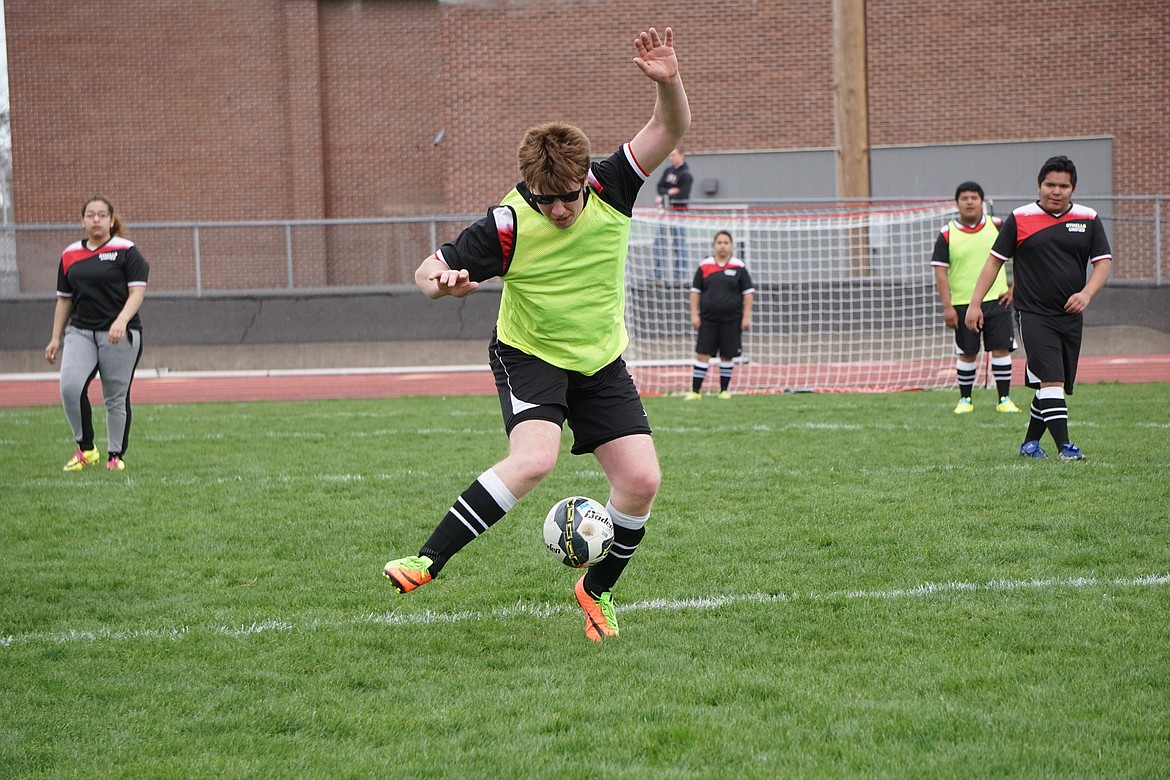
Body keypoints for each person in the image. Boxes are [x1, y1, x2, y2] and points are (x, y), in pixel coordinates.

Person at [382, 26, 690, 642]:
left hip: (600, 360)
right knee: (534, 459)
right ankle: (425, 561)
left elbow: (671, 129)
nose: (560, 211)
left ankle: (594, 590)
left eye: (567, 198)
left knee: (641, 481)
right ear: (530, 188)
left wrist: (669, 81)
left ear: (584, 180)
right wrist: (443, 284)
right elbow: (425, 272)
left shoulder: (609, 185)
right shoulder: (507, 224)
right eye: (547, 200)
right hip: (530, 356)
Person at [965, 156, 1112, 460]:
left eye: (1063, 186)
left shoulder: (1088, 218)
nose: (1056, 191)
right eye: (1050, 185)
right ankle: (1066, 449)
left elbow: (1102, 263)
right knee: (1052, 379)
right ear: (1039, 185)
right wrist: (975, 304)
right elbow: (994, 262)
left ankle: (1030, 443)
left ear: (1073, 189)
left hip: (1071, 316)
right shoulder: (1020, 218)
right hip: (1033, 314)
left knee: (1052, 383)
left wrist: (1087, 293)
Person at [45, 196, 150, 471]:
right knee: (70, 386)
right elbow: (64, 299)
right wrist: (56, 337)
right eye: (90, 215)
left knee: (115, 396)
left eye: (102, 215)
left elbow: (137, 293)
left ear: (111, 220)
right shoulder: (69, 254)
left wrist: (122, 321)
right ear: (82, 220)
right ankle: (86, 448)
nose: (96, 219)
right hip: (80, 331)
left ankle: (115, 456)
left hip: (119, 333)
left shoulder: (126, 250)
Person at [930, 181, 1020, 414]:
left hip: (997, 300)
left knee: (1000, 349)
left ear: (982, 201)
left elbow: (1020, 256)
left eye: (974, 198)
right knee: (967, 352)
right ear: (957, 203)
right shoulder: (947, 233)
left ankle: (1004, 399)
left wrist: (1014, 289)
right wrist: (947, 306)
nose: (969, 202)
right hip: (962, 304)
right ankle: (965, 400)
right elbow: (940, 271)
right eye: (964, 198)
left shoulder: (998, 226)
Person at [685, 230, 754, 399]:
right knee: (702, 354)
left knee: (727, 354)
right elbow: (695, 292)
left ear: (731, 246)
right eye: (719, 242)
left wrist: (746, 317)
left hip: (732, 319)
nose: (722, 246)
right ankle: (695, 392)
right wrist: (695, 314)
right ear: (714, 245)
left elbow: (748, 293)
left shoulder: (739, 267)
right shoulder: (704, 266)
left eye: (726, 243)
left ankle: (724, 391)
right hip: (708, 319)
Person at [652, 146, 693, 279]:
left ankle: (680, 274)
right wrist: (668, 193)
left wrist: (667, 195)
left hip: (679, 212)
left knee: (679, 243)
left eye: (673, 155)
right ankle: (657, 272)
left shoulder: (686, 174)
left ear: (682, 155)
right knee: (658, 241)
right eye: (670, 155)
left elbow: (682, 194)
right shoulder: (668, 171)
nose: (671, 158)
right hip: (666, 212)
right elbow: (660, 187)